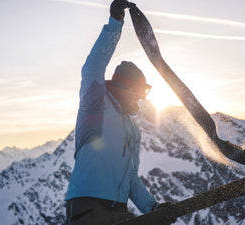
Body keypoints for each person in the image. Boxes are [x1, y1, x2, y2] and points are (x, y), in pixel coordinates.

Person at [65, 0, 176, 224]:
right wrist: (115, 24)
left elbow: (130, 178)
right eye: (138, 92)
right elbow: (92, 68)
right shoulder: (95, 102)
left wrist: (151, 207)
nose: (140, 98)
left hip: (118, 210)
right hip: (88, 207)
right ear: (126, 88)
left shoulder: (132, 130)